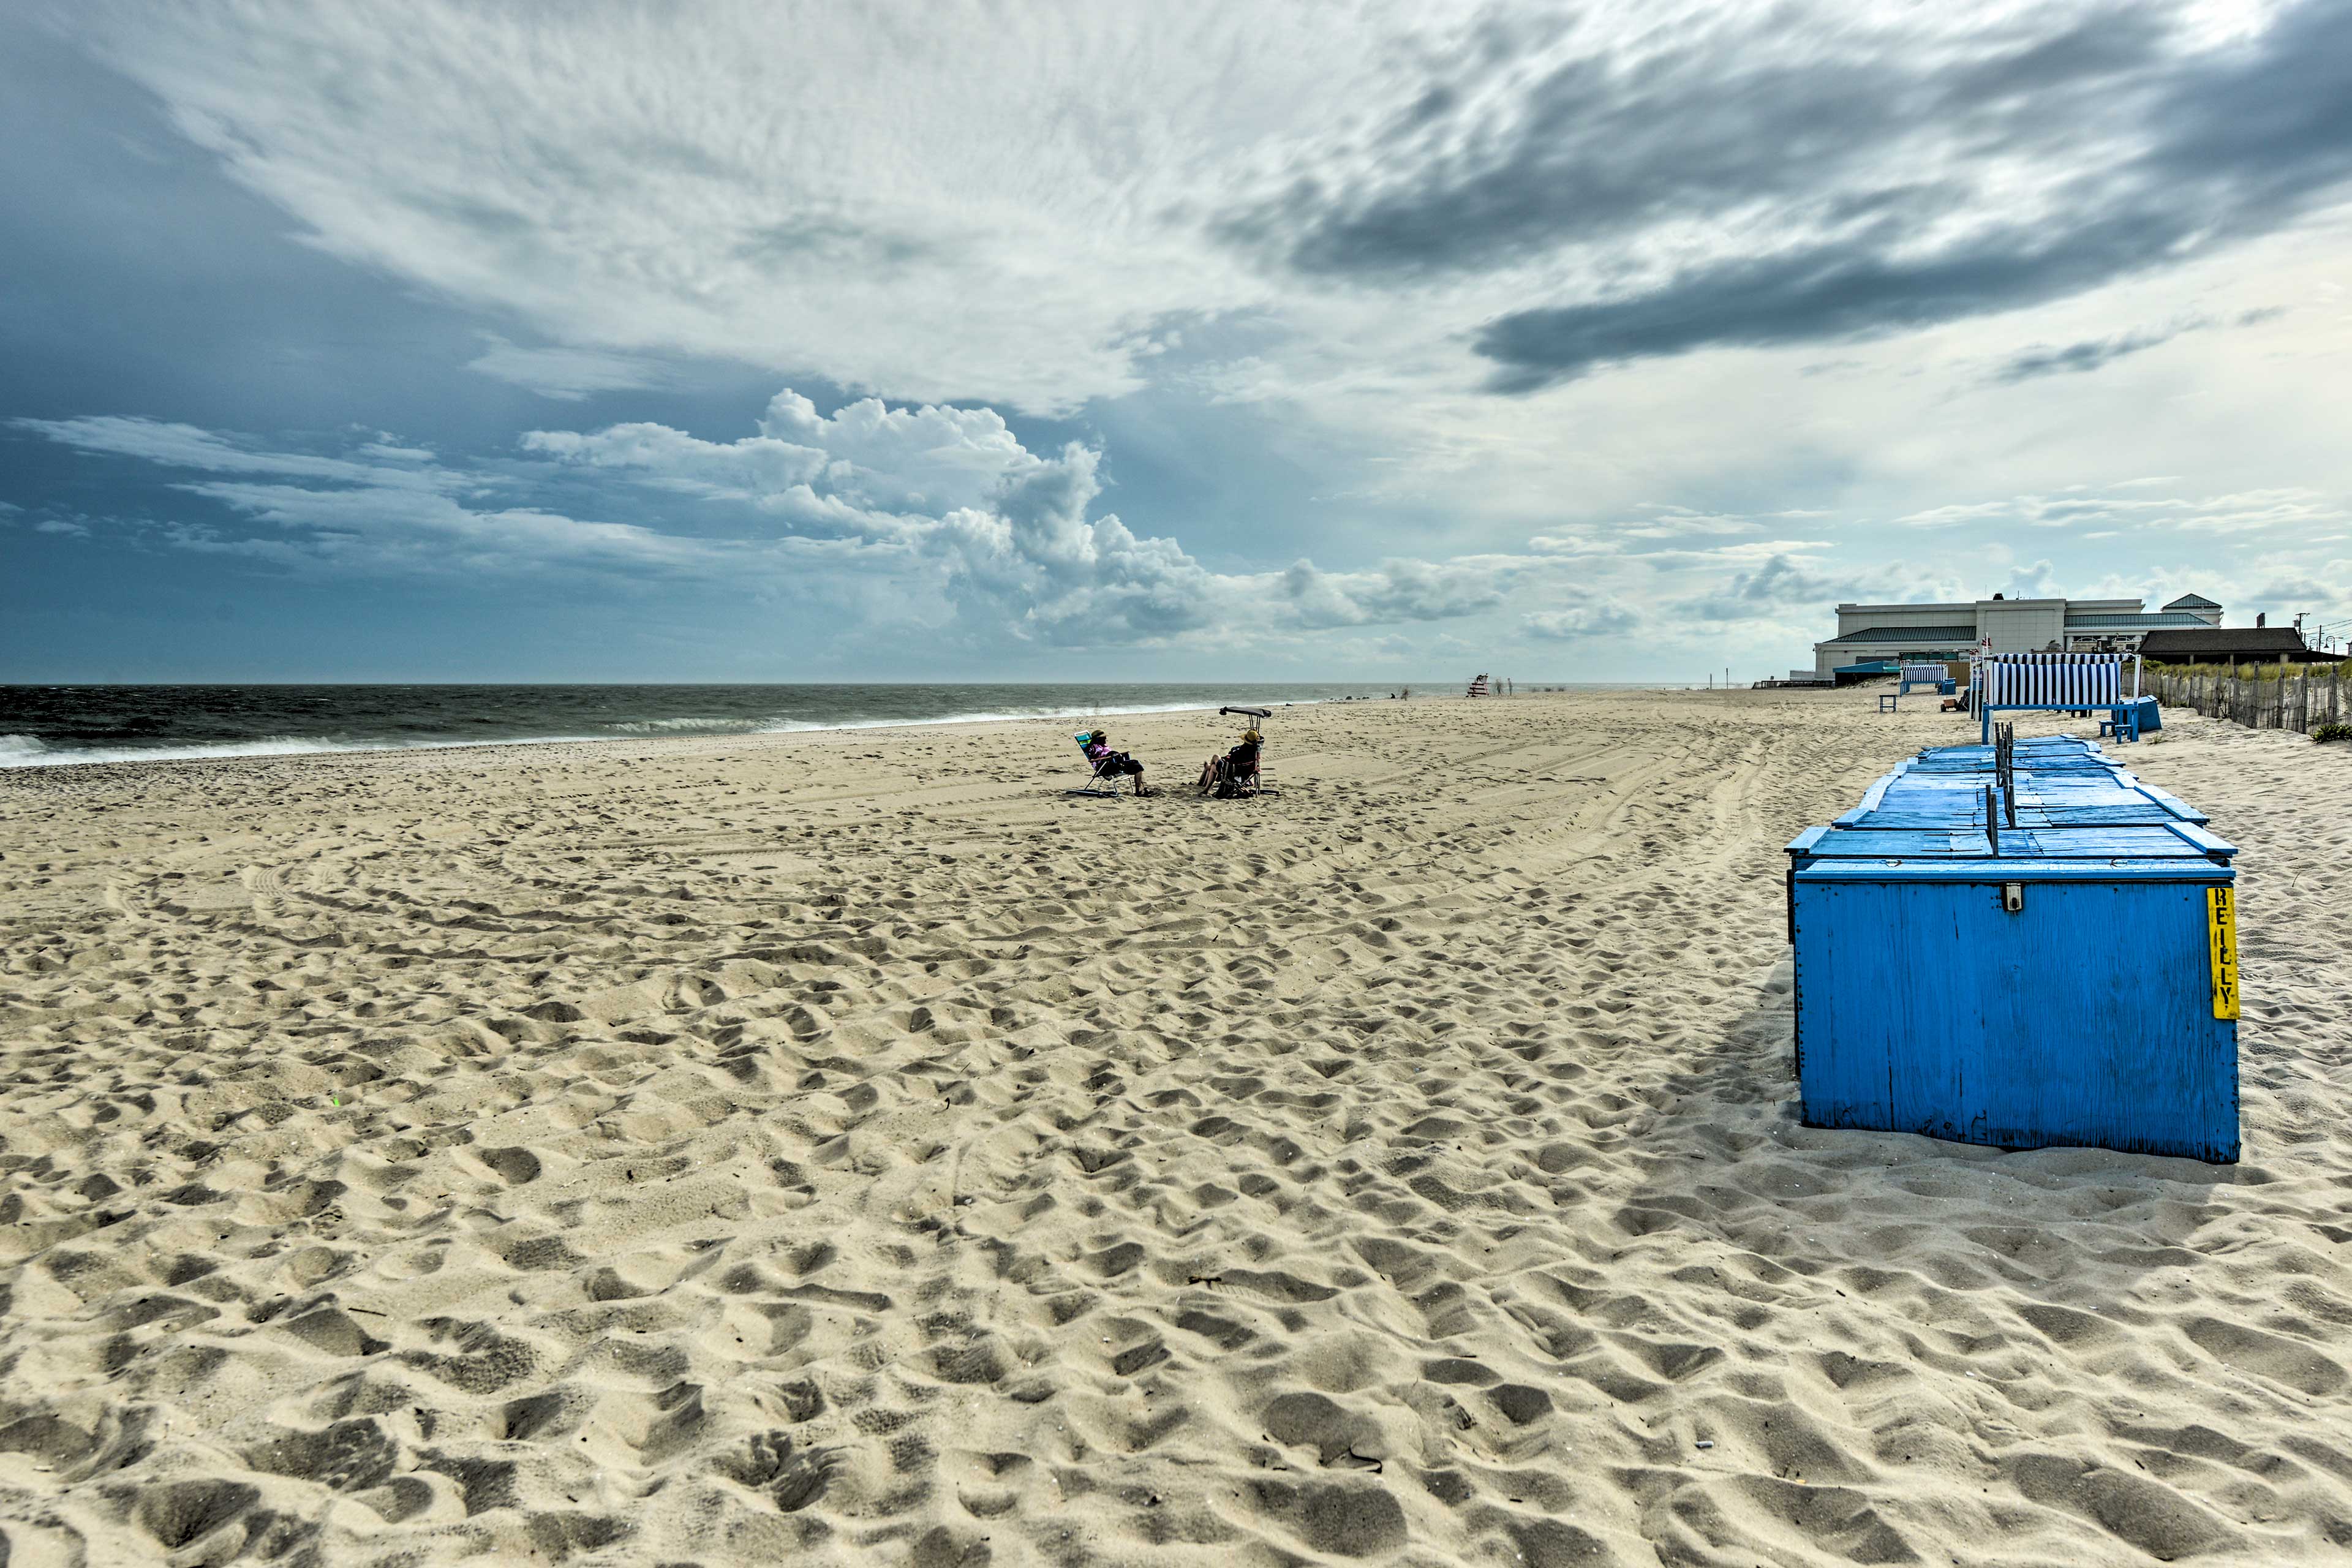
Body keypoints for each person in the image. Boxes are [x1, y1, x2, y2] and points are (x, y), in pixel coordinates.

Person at [1083, 729, 1149, 795]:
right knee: (1137, 766)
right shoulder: (1093, 747)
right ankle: (1139, 791)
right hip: (1106, 768)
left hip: (1114, 764)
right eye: (1104, 738)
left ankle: (1140, 789)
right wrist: (1105, 759)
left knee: (1136, 763)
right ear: (1098, 739)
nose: (1105, 740)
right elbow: (1093, 760)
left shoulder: (1104, 745)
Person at [1197, 729, 1261, 795]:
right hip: (1246, 773)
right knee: (1215, 763)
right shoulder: (1256, 752)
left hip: (1231, 772)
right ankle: (1206, 779)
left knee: (1214, 763)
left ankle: (1206, 788)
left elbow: (1230, 761)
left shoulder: (1240, 752)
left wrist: (1226, 757)